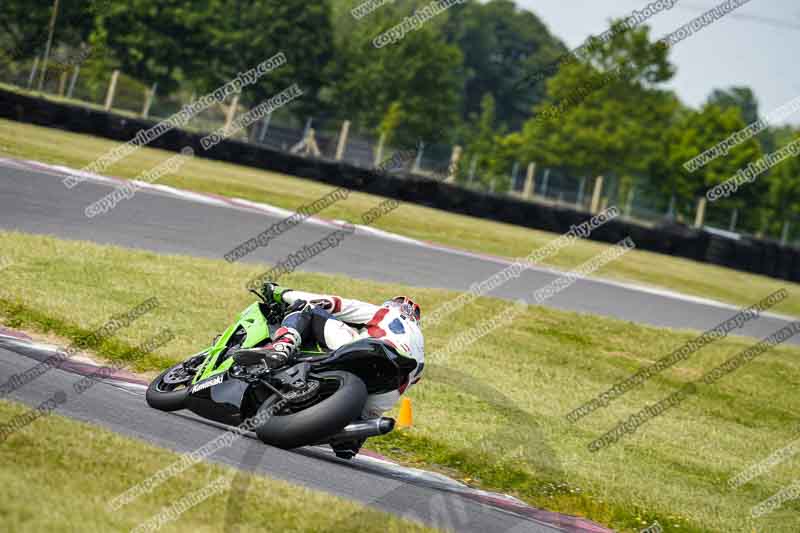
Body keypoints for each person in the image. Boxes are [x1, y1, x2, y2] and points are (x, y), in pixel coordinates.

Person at [233, 282, 425, 422]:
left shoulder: (388, 313)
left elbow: (334, 303)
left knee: (307, 308)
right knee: (359, 424)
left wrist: (282, 293)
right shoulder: (420, 353)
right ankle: (353, 437)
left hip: (373, 351)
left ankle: (280, 348)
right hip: (385, 392)